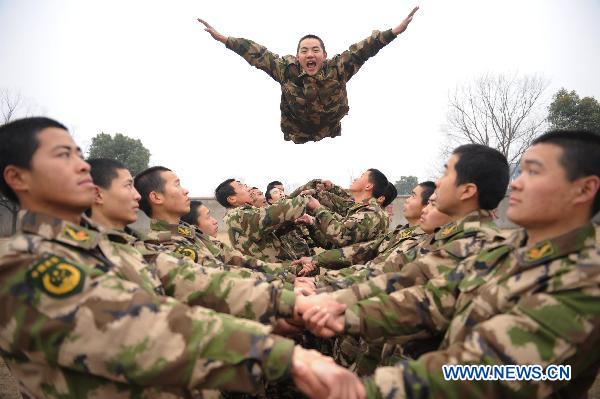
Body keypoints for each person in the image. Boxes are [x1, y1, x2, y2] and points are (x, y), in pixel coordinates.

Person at [0, 117, 363, 399]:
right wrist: (280, 354)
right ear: (18, 177)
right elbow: (140, 328)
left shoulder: (111, 245)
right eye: (64, 156)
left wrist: (285, 302)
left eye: (79, 154)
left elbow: (199, 280)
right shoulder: (21, 264)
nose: (82, 166)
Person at [304, 130, 600, 398]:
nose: (517, 184)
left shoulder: (586, 282)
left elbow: (494, 370)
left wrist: (365, 390)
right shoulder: (506, 250)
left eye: (533, 173)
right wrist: (344, 314)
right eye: (520, 172)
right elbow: (431, 298)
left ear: (585, 189)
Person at [197, 7, 418, 143]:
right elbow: (257, 53)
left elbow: (365, 49)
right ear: (297, 56)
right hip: (297, 131)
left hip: (329, 128)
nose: (310, 55)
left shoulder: (338, 68)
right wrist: (225, 39)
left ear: (324, 55)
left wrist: (394, 31)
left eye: (315, 50)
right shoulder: (285, 69)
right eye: (304, 51)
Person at [217, 178, 312, 261]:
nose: (249, 189)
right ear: (232, 199)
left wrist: (290, 223)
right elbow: (272, 213)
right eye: (242, 186)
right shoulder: (237, 216)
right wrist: (305, 199)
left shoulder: (244, 212)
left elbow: (269, 233)